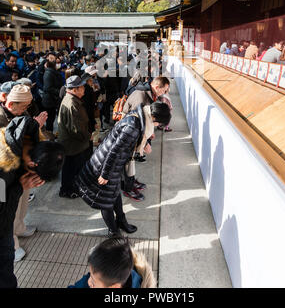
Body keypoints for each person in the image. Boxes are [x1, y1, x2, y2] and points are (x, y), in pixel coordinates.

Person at [76, 102, 171, 236]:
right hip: (105, 165)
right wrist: (105, 174)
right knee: (106, 200)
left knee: (115, 194)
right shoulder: (133, 127)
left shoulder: (140, 117)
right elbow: (114, 152)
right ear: (154, 117)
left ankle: (121, 221)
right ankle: (113, 231)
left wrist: (144, 144)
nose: (157, 127)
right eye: (158, 124)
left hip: (113, 165)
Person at [0, 115, 64, 288]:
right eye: (33, 176)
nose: (32, 180)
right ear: (33, 164)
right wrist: (19, 187)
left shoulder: (27, 138)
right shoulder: (3, 170)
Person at [68, 236, 156, 288]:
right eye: (90, 275)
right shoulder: (104, 273)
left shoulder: (104, 275)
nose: (88, 282)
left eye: (94, 282)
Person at [57, 75, 91, 198]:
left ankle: (69, 188)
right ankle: (67, 190)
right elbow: (76, 129)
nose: (84, 89)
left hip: (73, 145)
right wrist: (88, 137)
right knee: (70, 169)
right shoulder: (72, 103)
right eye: (82, 87)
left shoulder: (72, 100)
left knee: (71, 168)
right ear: (74, 89)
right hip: (72, 146)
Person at [42, 60, 63, 132]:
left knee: (51, 118)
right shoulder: (48, 73)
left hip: (53, 99)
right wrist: (59, 92)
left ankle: (51, 134)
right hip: (50, 100)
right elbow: (48, 88)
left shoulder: (52, 72)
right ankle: (49, 135)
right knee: (50, 120)